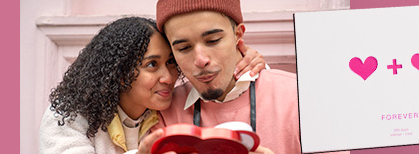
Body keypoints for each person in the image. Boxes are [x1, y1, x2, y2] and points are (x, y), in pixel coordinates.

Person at [39, 17, 266, 154]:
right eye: (151, 65)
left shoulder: (169, 108)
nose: (168, 76)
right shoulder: (68, 117)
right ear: (119, 72)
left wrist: (245, 59)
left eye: (170, 62)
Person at [141, 0, 303, 153]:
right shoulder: (164, 111)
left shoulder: (300, 98)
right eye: (184, 48)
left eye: (213, 40)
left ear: (238, 34)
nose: (201, 60)